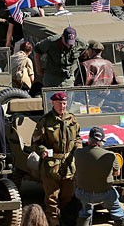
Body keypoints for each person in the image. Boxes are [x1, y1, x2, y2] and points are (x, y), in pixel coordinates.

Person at [32, 91, 82, 226]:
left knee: (68, 197)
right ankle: (53, 223)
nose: (62, 106)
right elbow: (36, 143)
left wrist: (78, 147)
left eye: (64, 103)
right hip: (51, 167)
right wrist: (42, 150)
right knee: (52, 200)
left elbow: (78, 137)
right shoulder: (45, 121)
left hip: (69, 165)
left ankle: (65, 221)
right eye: (59, 103)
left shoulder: (72, 119)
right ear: (52, 103)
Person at [73, 126, 124, 226]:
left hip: (83, 192)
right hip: (105, 192)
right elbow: (117, 173)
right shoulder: (110, 155)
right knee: (118, 212)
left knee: (85, 211)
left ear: (89, 139)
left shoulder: (78, 153)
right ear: (101, 141)